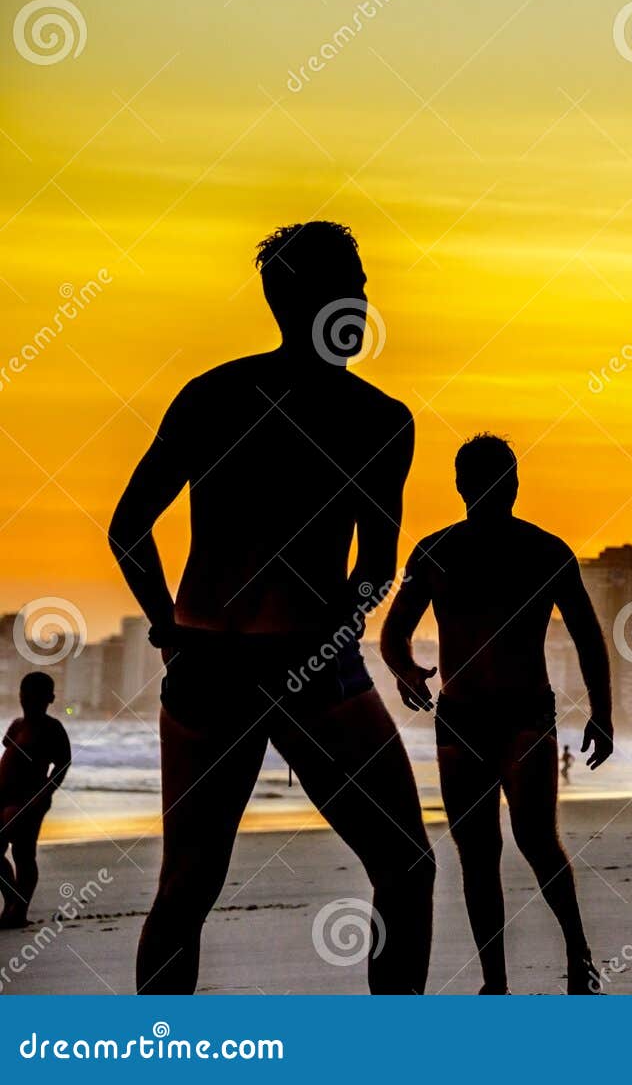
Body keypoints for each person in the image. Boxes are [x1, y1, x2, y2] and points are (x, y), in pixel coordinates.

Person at [108, 222, 433, 994]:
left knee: (183, 890)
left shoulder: (210, 395)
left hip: (205, 665)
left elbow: (128, 529)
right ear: (323, 301)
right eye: (355, 283)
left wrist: (166, 627)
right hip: (308, 663)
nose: (363, 296)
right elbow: (378, 564)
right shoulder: (376, 418)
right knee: (405, 865)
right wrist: (342, 627)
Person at [381, 433, 613, 995]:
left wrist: (603, 714)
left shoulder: (545, 551)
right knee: (479, 853)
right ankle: (496, 983)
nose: (491, 491)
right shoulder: (435, 552)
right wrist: (406, 670)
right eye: (484, 482)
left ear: (510, 486)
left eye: (496, 482)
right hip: (461, 720)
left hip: (524, 717)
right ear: (469, 486)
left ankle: (576, 955)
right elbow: (394, 633)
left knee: (532, 841)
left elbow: (587, 635)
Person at [0, 673, 72, 928]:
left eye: (35, 696)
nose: (27, 700)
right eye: (24, 694)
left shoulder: (51, 728)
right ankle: (12, 902)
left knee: (23, 853)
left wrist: (42, 796)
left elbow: (62, 765)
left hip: (28, 799)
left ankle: (17, 909)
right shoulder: (18, 724)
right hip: (4, 795)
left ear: (49, 699)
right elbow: (7, 747)